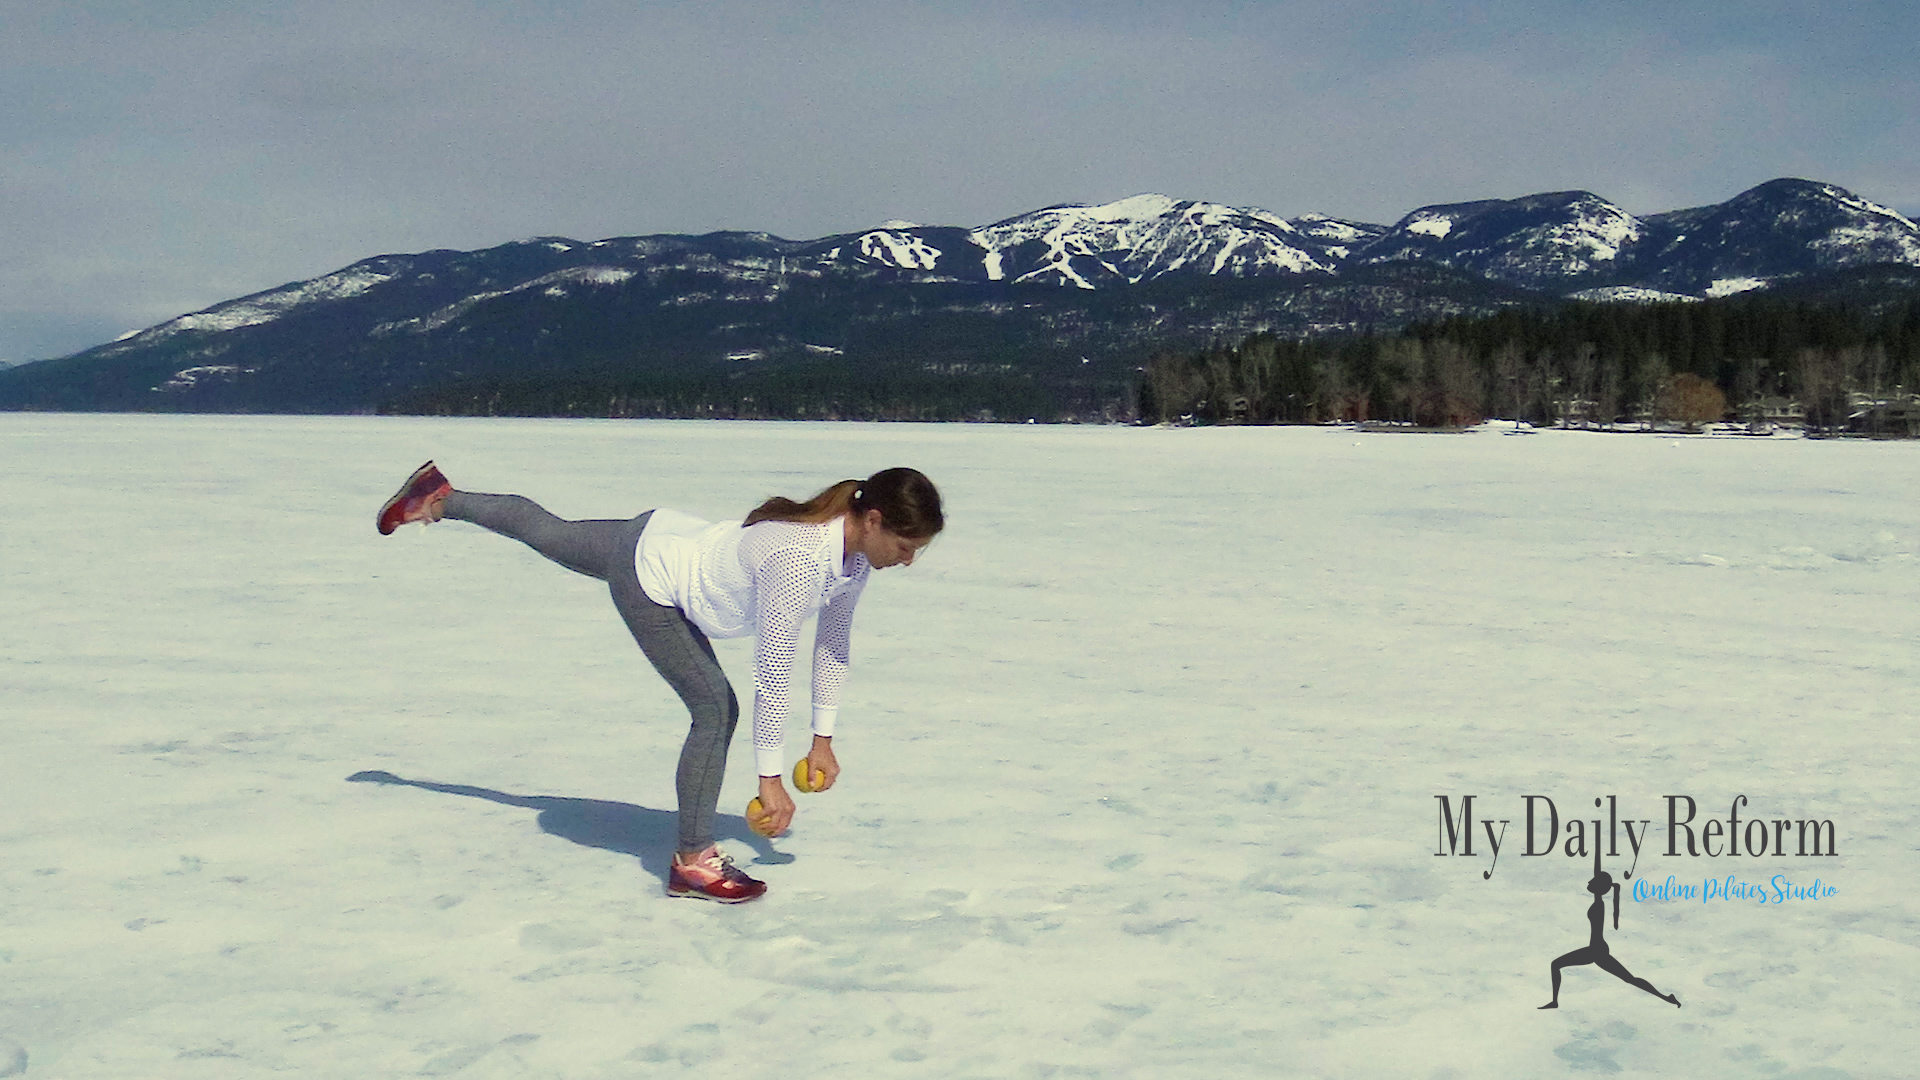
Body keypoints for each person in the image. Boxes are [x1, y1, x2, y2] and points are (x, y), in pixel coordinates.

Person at [376, 461, 943, 903]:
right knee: (715, 709)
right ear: (873, 522)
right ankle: (692, 862)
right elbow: (772, 673)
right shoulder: (799, 559)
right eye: (906, 547)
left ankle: (439, 497)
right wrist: (770, 779)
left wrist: (822, 737)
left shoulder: (853, 559)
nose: (908, 561)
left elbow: (832, 643)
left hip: (658, 537)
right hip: (656, 580)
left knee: (549, 531)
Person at [1539, 848, 1681, 1009]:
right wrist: (1597, 849)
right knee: (1630, 979)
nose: (1588, 882)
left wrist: (1598, 849)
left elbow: (1598, 872)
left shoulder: (1599, 903)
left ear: (1599, 887)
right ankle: (1666, 998)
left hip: (1596, 950)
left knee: (1556, 964)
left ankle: (1555, 1002)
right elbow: (1597, 869)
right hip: (1598, 949)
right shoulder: (1598, 900)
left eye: (1592, 881)